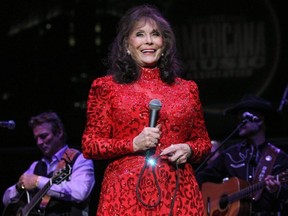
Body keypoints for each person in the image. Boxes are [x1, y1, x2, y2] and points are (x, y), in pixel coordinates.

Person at [81, 4, 211, 216]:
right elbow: (90, 145)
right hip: (125, 196)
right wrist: (133, 144)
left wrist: (189, 149)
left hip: (180, 194)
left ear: (165, 44)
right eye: (139, 34)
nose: (148, 41)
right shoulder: (106, 87)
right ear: (126, 44)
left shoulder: (187, 89)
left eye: (155, 34)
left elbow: (203, 143)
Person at [196, 95, 288, 216]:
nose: (239, 121)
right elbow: (201, 178)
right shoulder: (230, 154)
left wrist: (278, 190)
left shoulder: (280, 158)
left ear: (259, 120)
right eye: (238, 118)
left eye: (244, 117)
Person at [2, 111, 95, 216]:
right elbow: (6, 200)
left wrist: (37, 181)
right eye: (36, 138)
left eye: (43, 136)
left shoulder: (80, 159)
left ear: (59, 132)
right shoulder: (36, 166)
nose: (39, 142)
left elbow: (80, 193)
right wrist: (19, 187)